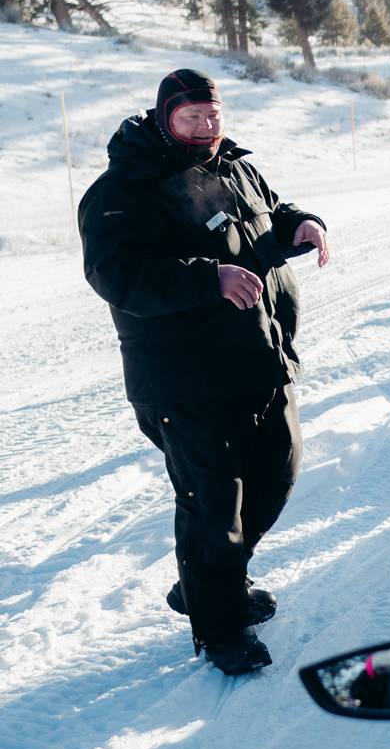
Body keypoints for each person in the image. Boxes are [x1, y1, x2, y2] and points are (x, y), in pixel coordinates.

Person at [78, 69, 329, 675]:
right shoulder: (124, 188)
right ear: (164, 116)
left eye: (214, 115)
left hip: (258, 356)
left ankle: (209, 584)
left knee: (278, 470)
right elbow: (117, 275)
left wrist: (300, 221)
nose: (207, 127)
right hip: (184, 377)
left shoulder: (234, 166)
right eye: (193, 117)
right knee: (213, 501)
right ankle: (219, 629)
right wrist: (207, 277)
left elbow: (267, 215)